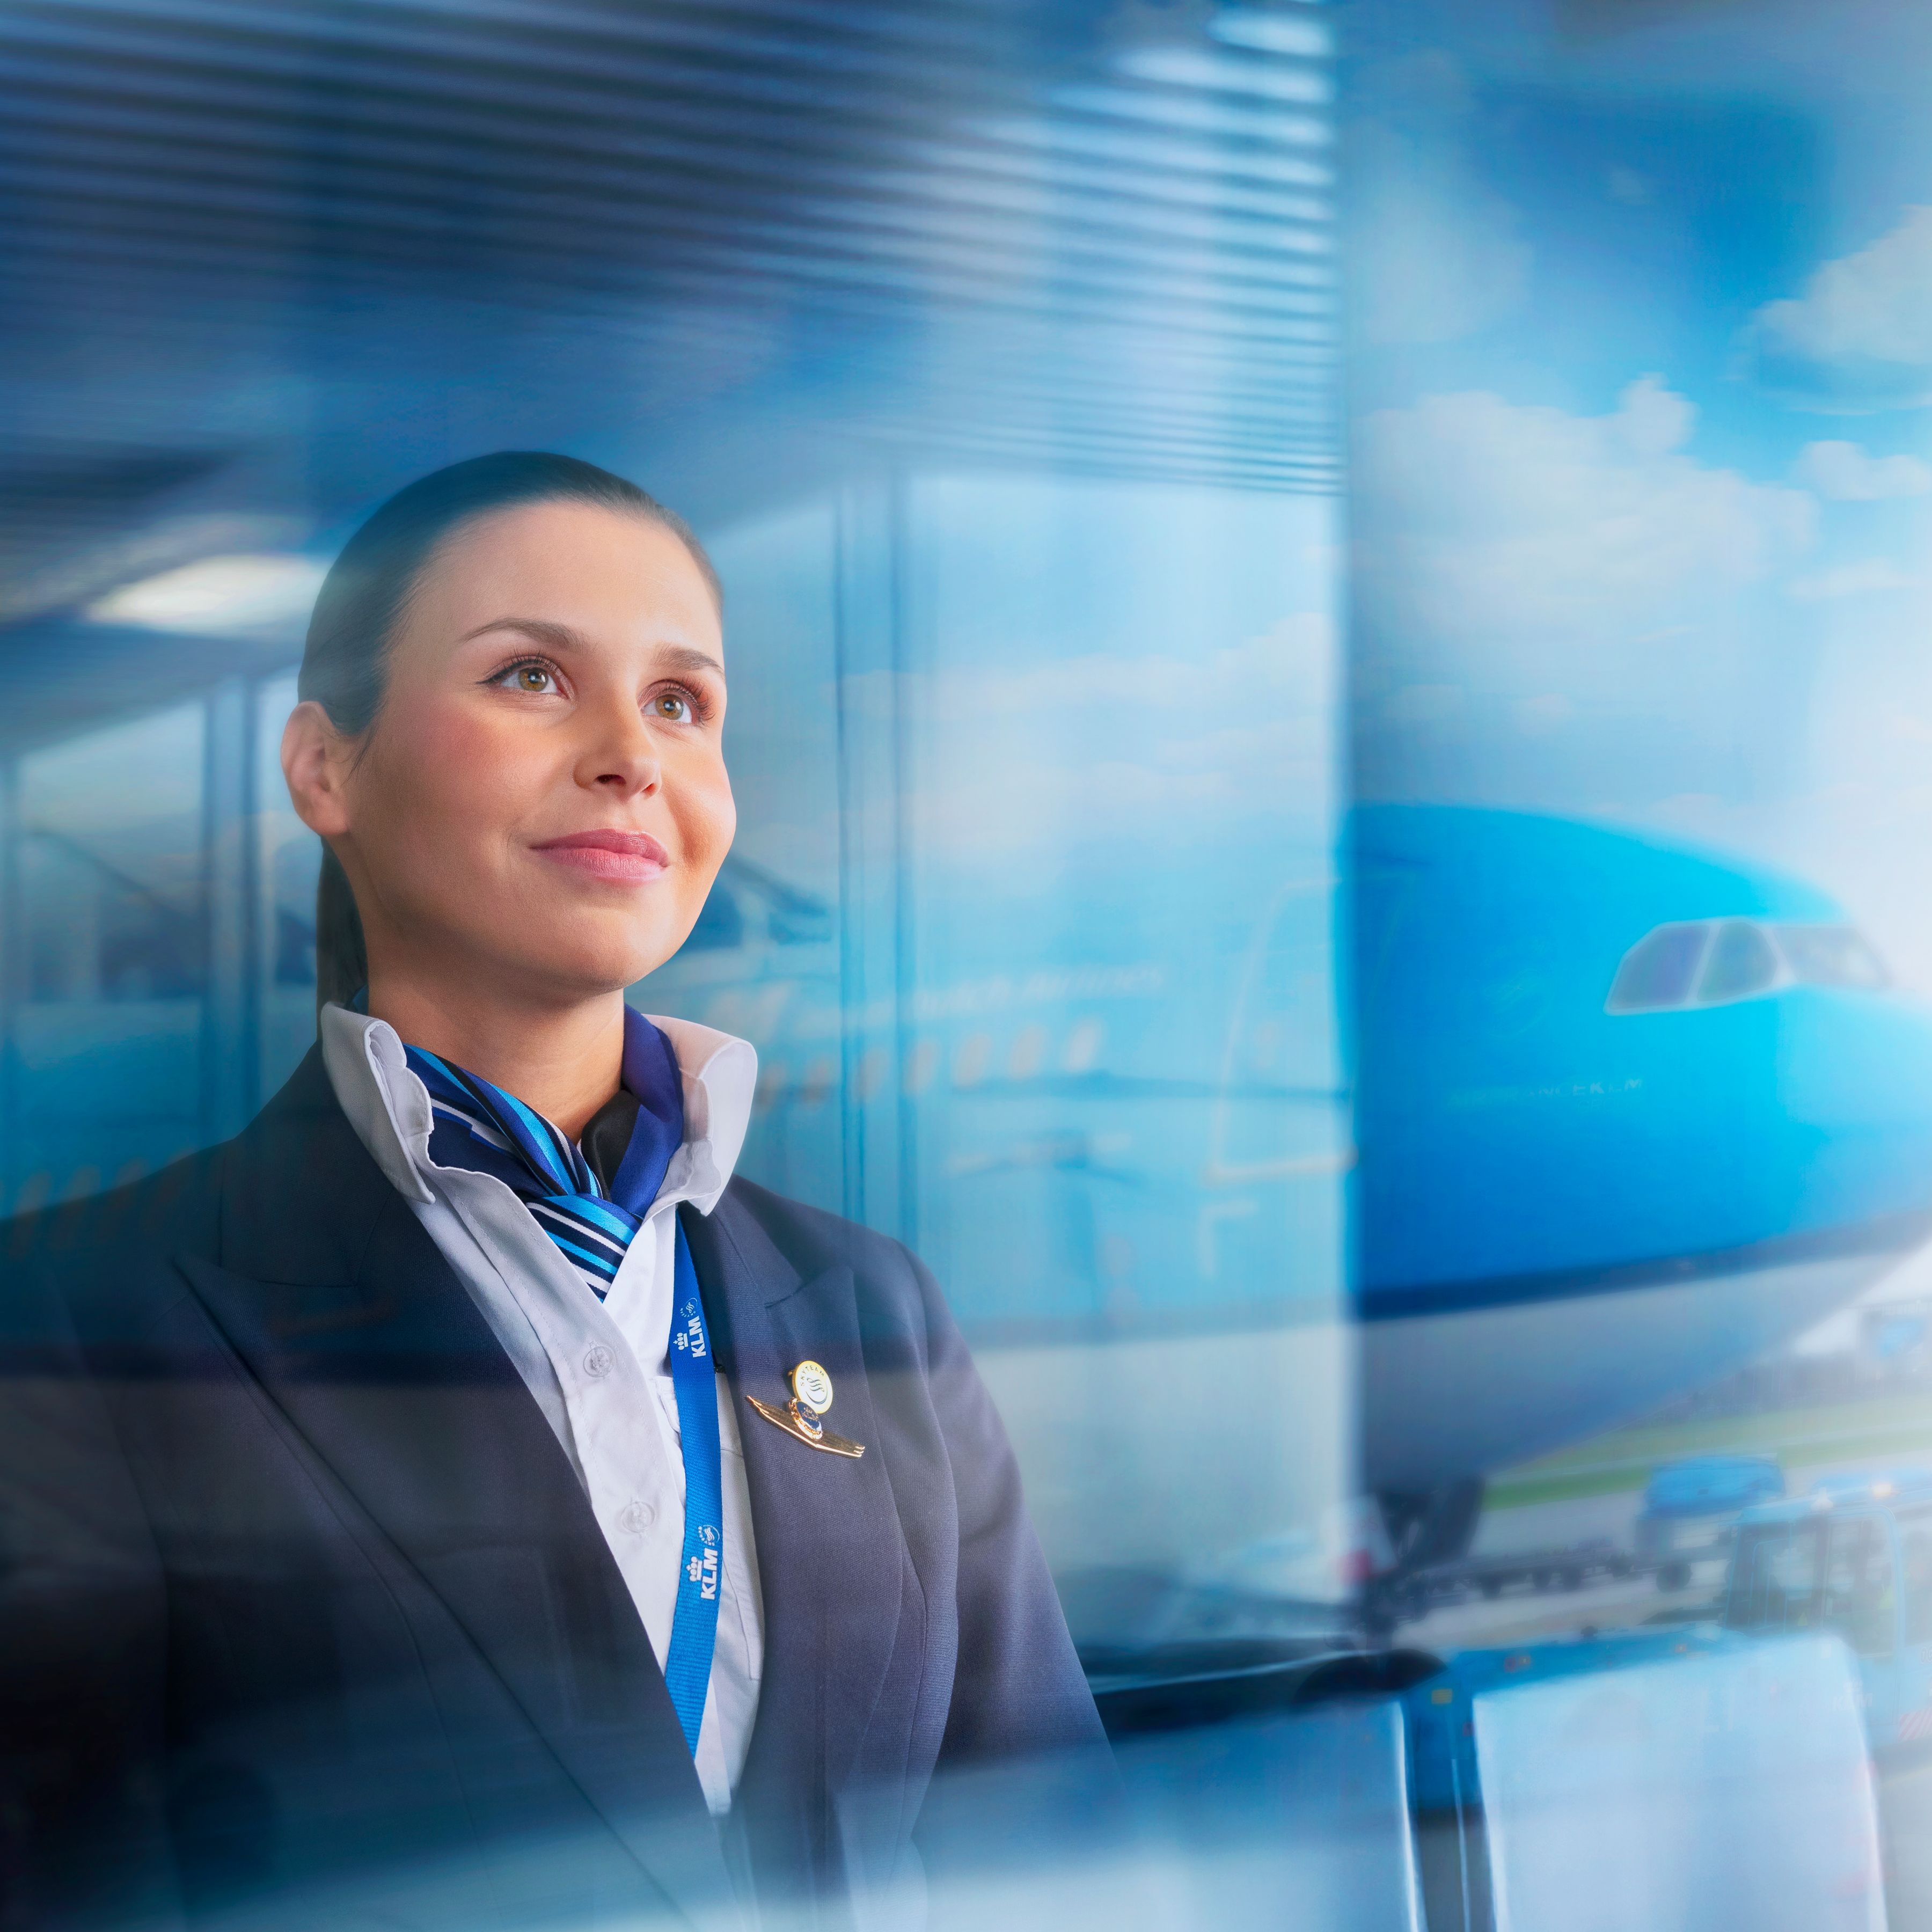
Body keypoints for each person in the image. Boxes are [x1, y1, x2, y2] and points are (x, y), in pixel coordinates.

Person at [0, 453, 1108, 1930]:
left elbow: (1050, 1859)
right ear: (327, 766)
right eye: (530, 675)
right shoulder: (73, 1325)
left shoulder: (868, 1306)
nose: (630, 756)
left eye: (680, 702)